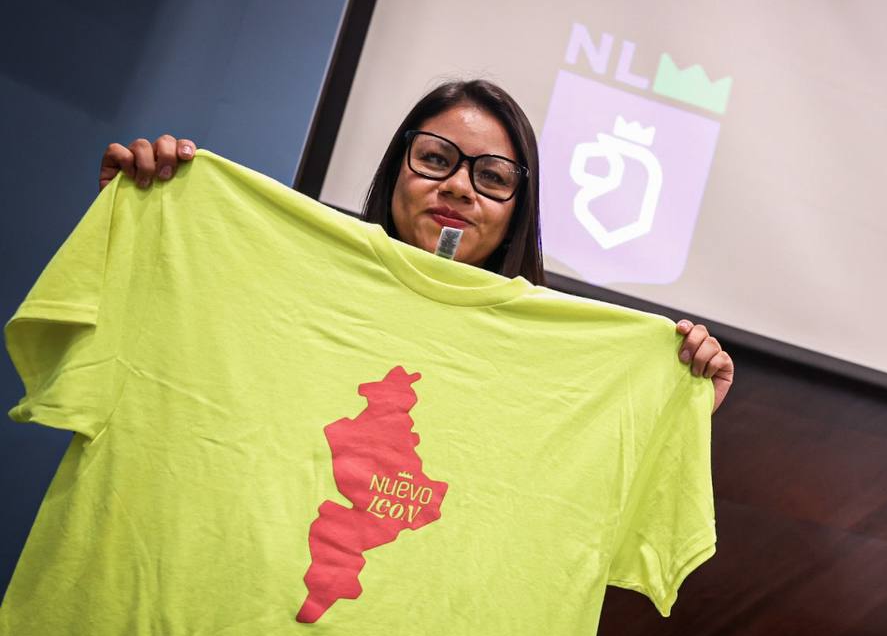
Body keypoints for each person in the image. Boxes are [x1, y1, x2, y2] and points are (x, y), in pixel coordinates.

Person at [97, 79, 735, 411]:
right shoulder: (278, 281)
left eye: (492, 177)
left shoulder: (556, 361)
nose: (457, 186)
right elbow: (160, 352)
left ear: (519, 211)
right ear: (396, 169)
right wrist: (138, 220)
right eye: (435, 158)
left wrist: (674, 405)